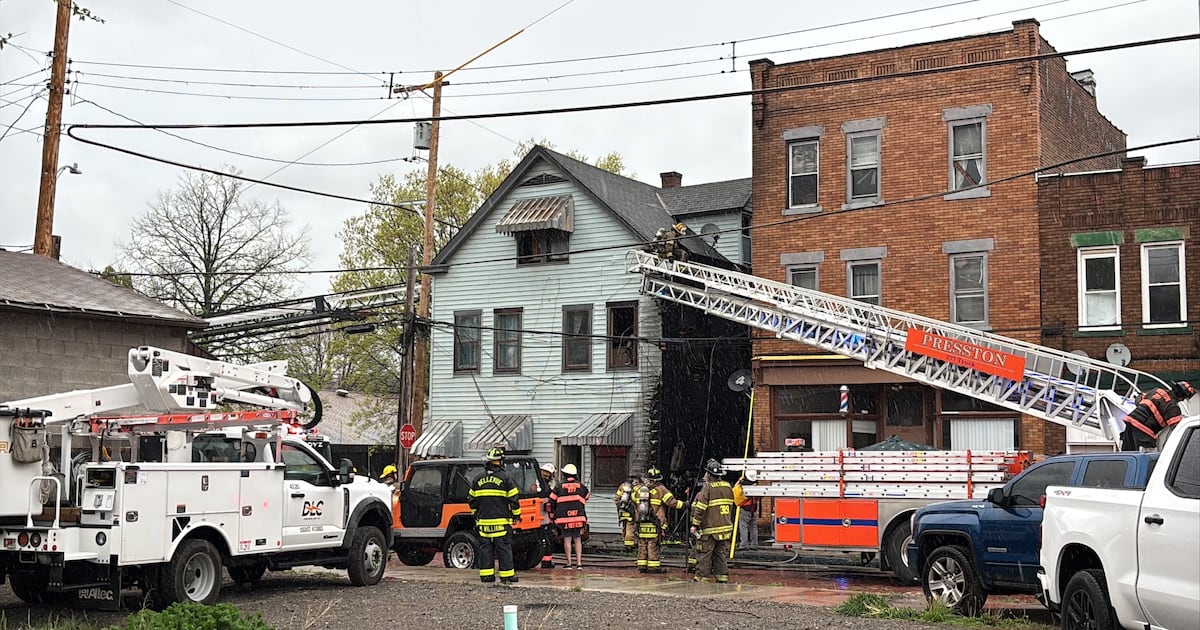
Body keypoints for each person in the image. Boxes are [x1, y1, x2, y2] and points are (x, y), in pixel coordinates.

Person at [468, 447, 521, 585]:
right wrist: (516, 515)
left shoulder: (478, 478)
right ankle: (506, 576)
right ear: (500, 461)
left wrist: (476, 516)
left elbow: (472, 500)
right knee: (503, 548)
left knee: (485, 549)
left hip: (483, 523)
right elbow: (514, 499)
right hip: (501, 522)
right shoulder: (505, 478)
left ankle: (487, 576)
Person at [690, 458, 735, 583]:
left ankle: (701, 578)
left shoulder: (708, 488)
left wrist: (695, 524)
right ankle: (722, 578)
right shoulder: (728, 486)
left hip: (710, 528)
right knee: (720, 554)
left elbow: (700, 508)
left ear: (709, 474)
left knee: (704, 554)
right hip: (725, 527)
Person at [1121, 381, 1195, 451]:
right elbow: (1177, 428)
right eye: (1184, 398)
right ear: (1181, 396)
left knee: (1128, 450)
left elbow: (1138, 400)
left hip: (1130, 421)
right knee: (1146, 455)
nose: (1182, 400)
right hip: (1144, 430)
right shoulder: (1172, 407)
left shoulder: (1156, 391)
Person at [634, 467, 683, 574]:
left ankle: (642, 566)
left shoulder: (639, 490)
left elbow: (633, 500)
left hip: (641, 522)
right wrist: (684, 504)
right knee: (653, 544)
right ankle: (653, 567)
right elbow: (671, 502)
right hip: (654, 523)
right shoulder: (661, 489)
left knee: (642, 544)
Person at [549, 463, 589, 570]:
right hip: (578, 517)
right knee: (577, 539)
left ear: (565, 474)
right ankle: (579, 564)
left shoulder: (559, 486)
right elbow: (587, 496)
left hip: (564, 518)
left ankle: (569, 564)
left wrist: (553, 515)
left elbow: (551, 500)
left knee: (567, 539)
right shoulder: (581, 486)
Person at [537, 463, 557, 568]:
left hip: (537, 516)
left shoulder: (537, 483)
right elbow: (551, 500)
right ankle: (546, 562)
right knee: (547, 539)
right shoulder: (545, 486)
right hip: (543, 517)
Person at [614, 472, 639, 554]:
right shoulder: (637, 488)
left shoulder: (623, 486)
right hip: (631, 512)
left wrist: (619, 505)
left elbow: (617, 498)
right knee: (630, 528)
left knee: (624, 527)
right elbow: (637, 501)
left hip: (623, 511)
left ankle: (624, 541)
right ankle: (629, 547)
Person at [733, 471, 759, 551]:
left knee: (743, 526)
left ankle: (744, 544)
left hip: (745, 508)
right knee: (753, 527)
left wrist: (739, 481)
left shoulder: (743, 484)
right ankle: (754, 544)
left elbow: (735, 490)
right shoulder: (756, 484)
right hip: (754, 508)